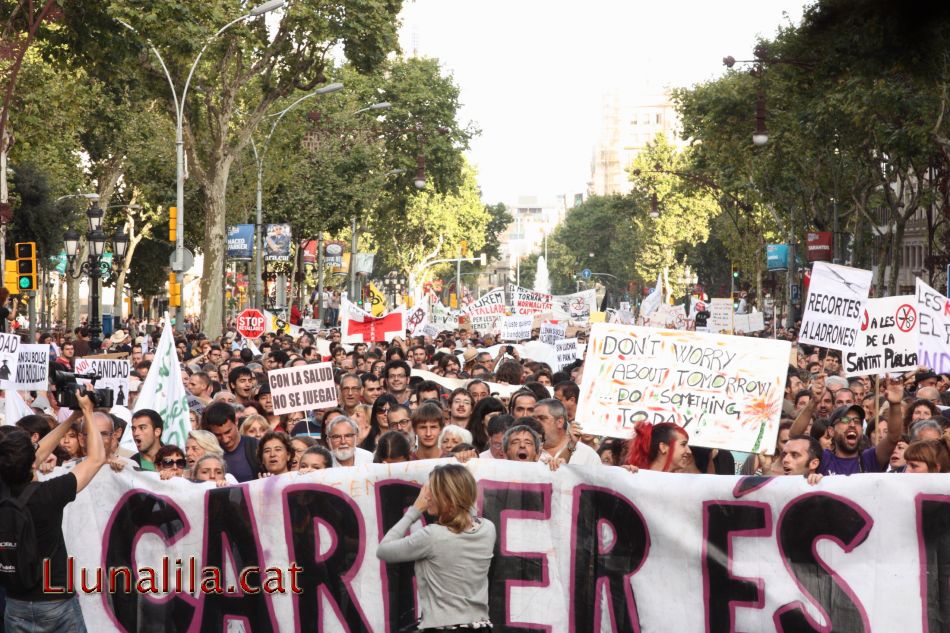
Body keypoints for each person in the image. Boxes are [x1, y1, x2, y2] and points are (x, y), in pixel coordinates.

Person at [0, 391, 104, 631]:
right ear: (31, 461)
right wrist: (87, 412)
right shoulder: (48, 494)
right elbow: (96, 459)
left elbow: (32, 456)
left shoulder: (3, 488)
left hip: (15, 603)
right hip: (56, 602)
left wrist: (70, 419)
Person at [376, 464, 495, 631]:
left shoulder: (432, 536)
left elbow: (384, 550)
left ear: (447, 498)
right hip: (481, 626)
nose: (426, 497)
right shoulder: (488, 528)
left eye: (430, 491)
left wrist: (414, 511)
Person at [202, 401, 260, 482]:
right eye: (218, 435)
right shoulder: (208, 454)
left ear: (236, 421)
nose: (225, 439)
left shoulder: (256, 447)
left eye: (228, 432)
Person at [533, 398, 601, 466]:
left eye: (542, 418)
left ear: (560, 422)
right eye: (533, 419)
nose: (536, 423)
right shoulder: (528, 452)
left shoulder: (587, 455)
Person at [626, 422, 692, 472]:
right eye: (683, 444)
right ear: (663, 447)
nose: (689, 451)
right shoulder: (633, 476)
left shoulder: (681, 485)